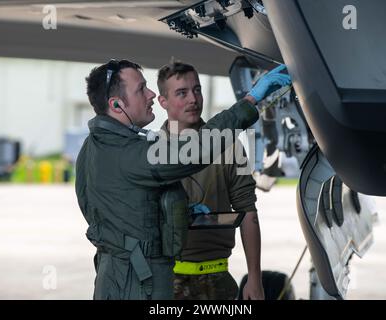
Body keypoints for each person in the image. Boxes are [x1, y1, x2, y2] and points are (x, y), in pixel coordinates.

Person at [75, 59, 291, 300]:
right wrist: (250, 100)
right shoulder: (135, 152)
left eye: (197, 90)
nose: (151, 95)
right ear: (117, 105)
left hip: (117, 277)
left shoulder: (93, 146)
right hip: (137, 283)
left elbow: (105, 207)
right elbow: (196, 149)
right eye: (141, 89)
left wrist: (175, 213)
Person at [157, 61, 288, 300]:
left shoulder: (228, 146)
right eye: (181, 93)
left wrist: (254, 279)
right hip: (165, 282)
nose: (193, 99)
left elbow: (248, 211)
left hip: (217, 281)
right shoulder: (150, 151)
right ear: (162, 101)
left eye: (197, 89)